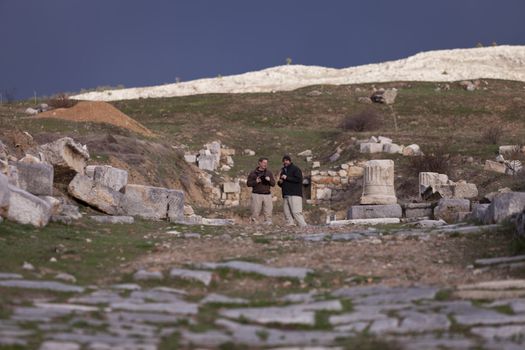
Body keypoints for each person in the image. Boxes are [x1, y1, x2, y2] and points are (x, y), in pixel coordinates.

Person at [277, 155, 307, 227]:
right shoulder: (283, 170)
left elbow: (298, 180)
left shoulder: (295, 169)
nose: (285, 162)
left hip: (294, 194)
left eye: (287, 160)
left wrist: (287, 177)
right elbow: (282, 183)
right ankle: (290, 224)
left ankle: (303, 225)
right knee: (287, 211)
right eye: (284, 161)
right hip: (286, 194)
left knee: (296, 211)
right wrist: (280, 182)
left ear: (290, 161)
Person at [246, 157, 276, 224]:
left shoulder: (269, 173)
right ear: (259, 163)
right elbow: (248, 184)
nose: (265, 164)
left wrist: (269, 180)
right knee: (255, 211)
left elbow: (273, 184)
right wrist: (256, 181)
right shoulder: (253, 173)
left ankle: (268, 224)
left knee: (268, 211)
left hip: (267, 194)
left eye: (266, 163)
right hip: (257, 194)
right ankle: (254, 224)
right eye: (264, 163)